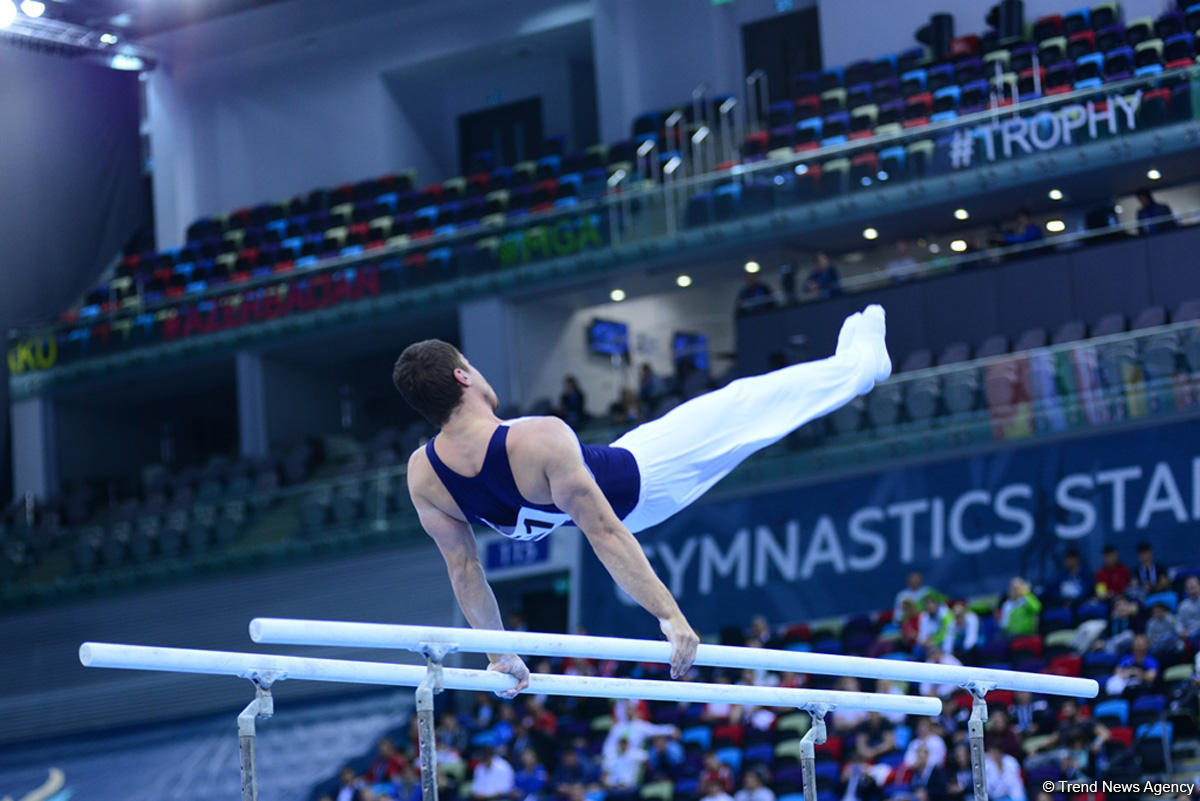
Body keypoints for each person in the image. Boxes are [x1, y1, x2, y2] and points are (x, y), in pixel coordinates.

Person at [394, 306, 892, 694]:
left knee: (750, 415)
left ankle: (847, 367)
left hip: (627, 470)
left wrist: (499, 652)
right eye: (472, 367)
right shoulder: (534, 439)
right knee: (748, 406)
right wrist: (669, 615)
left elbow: (464, 570)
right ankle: (862, 366)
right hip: (653, 477)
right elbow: (605, 533)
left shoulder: (424, 475)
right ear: (463, 377)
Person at [1177, 575, 1200, 645]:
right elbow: (1179, 622)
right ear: (1186, 590)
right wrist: (1181, 631)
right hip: (1189, 633)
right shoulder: (1183, 605)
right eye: (1189, 587)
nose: (1192, 589)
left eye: (1194, 586)